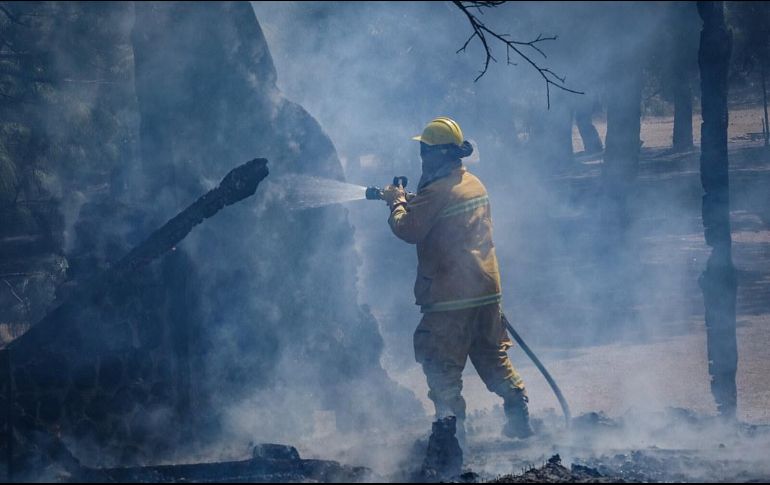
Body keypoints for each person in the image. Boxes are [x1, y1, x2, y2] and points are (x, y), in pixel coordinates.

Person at [381, 117, 534, 442]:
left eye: (423, 151)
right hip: (486, 290)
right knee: (492, 355)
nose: (421, 158)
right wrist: (413, 201)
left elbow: (409, 229)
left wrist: (396, 203)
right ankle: (518, 411)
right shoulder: (473, 184)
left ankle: (448, 437)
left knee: (441, 363)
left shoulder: (437, 192)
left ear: (433, 155)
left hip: (451, 295)